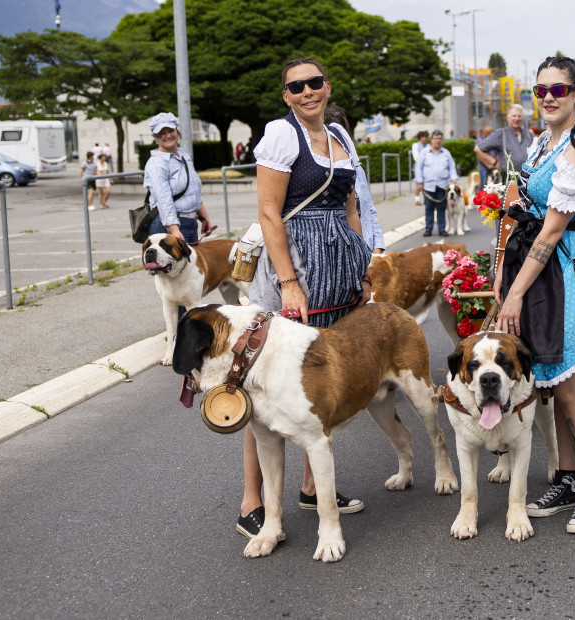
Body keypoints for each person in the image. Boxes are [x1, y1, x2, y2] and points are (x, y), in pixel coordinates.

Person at [238, 56, 373, 539]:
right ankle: (251, 500)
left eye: (314, 83)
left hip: (338, 267)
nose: (306, 92)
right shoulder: (280, 135)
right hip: (296, 268)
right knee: (266, 387)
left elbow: (350, 207)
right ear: (286, 96)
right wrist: (289, 282)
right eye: (296, 87)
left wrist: (362, 267)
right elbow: (270, 214)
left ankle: (313, 487)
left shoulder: (339, 138)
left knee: (321, 378)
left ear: (327, 86)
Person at [495, 56, 575, 534]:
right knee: (553, 379)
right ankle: (567, 478)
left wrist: (513, 295)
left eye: (558, 90)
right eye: (540, 89)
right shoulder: (546, 142)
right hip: (542, 267)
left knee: (569, 383)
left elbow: (550, 234)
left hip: (564, 267)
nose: (548, 97)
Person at [143, 112, 214, 243]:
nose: (168, 135)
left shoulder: (184, 156)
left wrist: (204, 217)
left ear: (177, 131)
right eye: (162, 133)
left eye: (170, 130)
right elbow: (163, 199)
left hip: (190, 223)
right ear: (156, 138)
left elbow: (193, 190)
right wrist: (174, 229)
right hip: (169, 226)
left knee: (192, 263)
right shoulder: (156, 164)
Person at [325, 103, 385, 254]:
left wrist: (377, 247)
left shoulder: (357, 168)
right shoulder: (318, 172)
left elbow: (369, 210)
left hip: (365, 252)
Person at [475, 104, 533, 185]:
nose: (516, 118)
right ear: (508, 117)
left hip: (528, 182)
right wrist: (495, 163)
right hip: (508, 182)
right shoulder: (501, 133)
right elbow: (478, 149)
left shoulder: (529, 134)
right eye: (514, 116)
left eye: (519, 116)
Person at [414, 129, 458, 237]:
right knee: (429, 208)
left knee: (441, 208)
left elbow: (452, 168)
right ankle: (428, 229)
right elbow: (418, 167)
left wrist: (454, 178)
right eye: (436, 139)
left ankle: (442, 229)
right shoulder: (424, 152)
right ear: (431, 140)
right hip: (428, 186)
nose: (438, 141)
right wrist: (419, 182)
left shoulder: (446, 153)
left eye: (440, 139)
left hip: (442, 185)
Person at [411, 131, 429, 205]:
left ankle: (426, 199)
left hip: (427, 167)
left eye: (426, 137)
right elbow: (416, 157)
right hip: (418, 167)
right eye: (424, 137)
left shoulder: (428, 146)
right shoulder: (416, 145)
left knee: (426, 183)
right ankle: (417, 199)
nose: (425, 139)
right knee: (418, 183)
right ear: (420, 138)